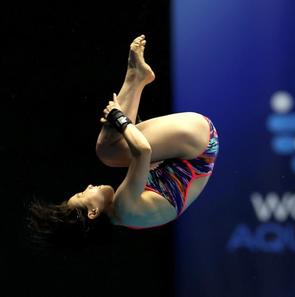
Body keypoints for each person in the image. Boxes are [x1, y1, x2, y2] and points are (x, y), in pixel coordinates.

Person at [27, 34, 219, 247]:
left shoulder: (124, 214)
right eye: (83, 193)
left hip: (194, 146)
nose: (89, 186)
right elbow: (143, 151)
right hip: (198, 144)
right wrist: (118, 117)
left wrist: (124, 125)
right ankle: (136, 77)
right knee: (108, 150)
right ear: (93, 212)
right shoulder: (124, 209)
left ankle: (138, 78)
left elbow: (149, 163)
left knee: (114, 147)